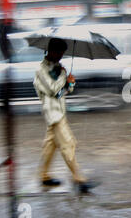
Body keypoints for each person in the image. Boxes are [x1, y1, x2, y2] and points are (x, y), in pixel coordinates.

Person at [33, 38, 95, 193]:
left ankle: (44, 176)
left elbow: (61, 92)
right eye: (59, 53)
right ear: (51, 51)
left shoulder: (58, 67)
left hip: (59, 111)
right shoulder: (41, 70)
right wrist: (62, 76)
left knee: (50, 145)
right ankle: (78, 178)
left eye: (62, 53)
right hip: (52, 113)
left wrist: (70, 83)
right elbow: (53, 89)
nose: (61, 56)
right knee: (68, 143)